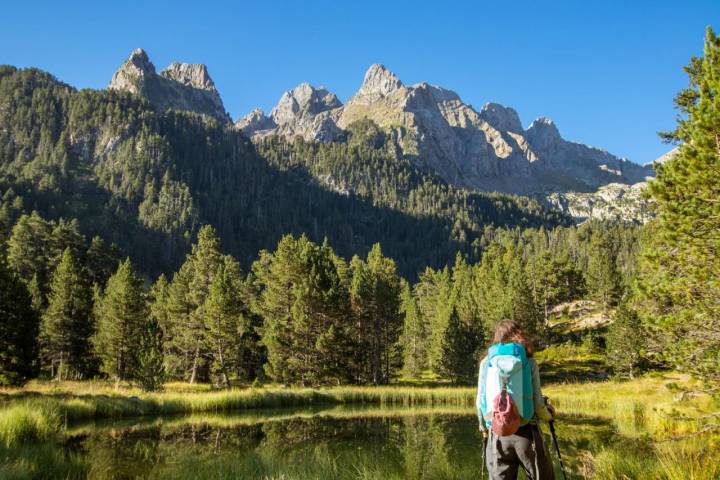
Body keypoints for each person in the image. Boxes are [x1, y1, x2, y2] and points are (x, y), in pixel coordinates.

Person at [477, 319, 556, 480]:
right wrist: (549, 415)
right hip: (528, 435)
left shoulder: (486, 362)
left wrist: (484, 427)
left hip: (497, 438)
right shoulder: (529, 362)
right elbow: (537, 405)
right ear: (519, 335)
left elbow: (480, 402)